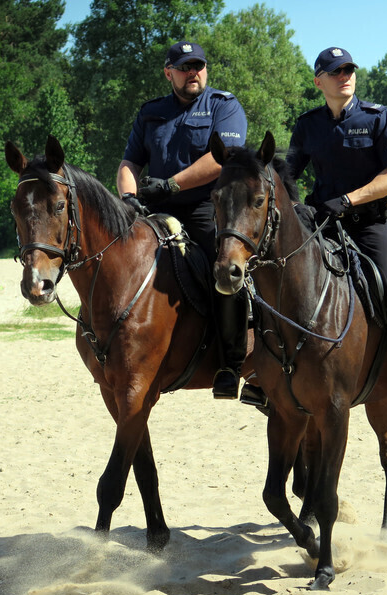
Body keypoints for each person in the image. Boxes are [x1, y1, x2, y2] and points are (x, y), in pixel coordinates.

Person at [286, 47, 387, 412]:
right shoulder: (307, 124)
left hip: (369, 226)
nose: (344, 76)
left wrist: (349, 200)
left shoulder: (378, 117)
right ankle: (267, 373)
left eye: (348, 69)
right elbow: (288, 176)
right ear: (319, 82)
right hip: (320, 225)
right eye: (335, 72)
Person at [117, 40, 249, 400]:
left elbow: (222, 158)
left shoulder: (224, 106)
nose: (194, 72)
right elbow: (129, 163)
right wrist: (128, 200)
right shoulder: (151, 112)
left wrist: (172, 184)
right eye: (185, 67)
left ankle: (231, 363)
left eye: (199, 66)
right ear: (169, 73)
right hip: (156, 211)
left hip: (210, 209)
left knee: (225, 273)